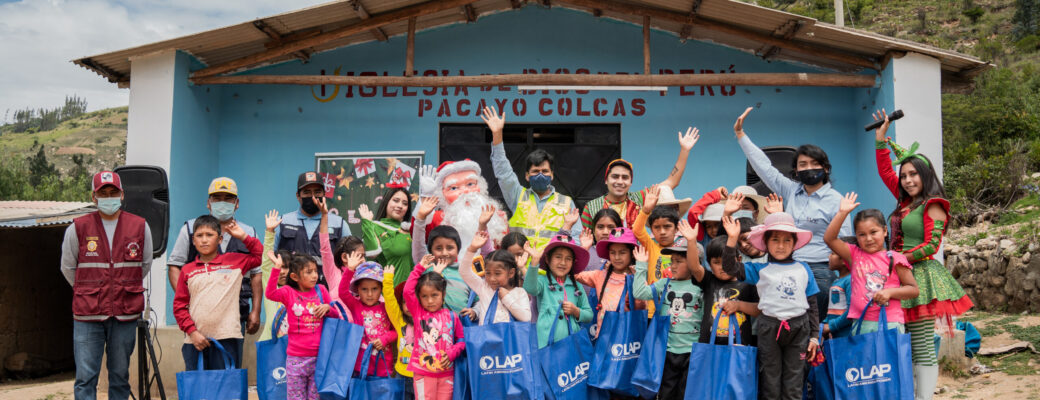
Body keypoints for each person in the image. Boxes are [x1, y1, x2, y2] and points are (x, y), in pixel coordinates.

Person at [872, 110, 972, 400]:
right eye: (904, 175)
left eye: (913, 174)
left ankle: (924, 397)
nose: (906, 180)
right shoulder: (904, 202)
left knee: (922, 343)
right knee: (903, 341)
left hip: (921, 277)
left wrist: (897, 259)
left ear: (925, 175)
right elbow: (885, 172)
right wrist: (880, 141)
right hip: (897, 275)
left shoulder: (934, 205)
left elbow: (931, 246)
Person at [732, 107, 852, 315]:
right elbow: (765, 168)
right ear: (795, 170)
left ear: (826, 168)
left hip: (820, 271)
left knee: (816, 329)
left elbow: (845, 243)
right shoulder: (792, 190)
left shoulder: (837, 200)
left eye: (815, 164)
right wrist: (741, 135)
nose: (808, 168)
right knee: (789, 325)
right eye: (802, 164)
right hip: (788, 267)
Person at [60, 171, 153, 400]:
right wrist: (89, 291)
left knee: (120, 376)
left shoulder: (140, 226)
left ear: (122, 195)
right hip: (88, 315)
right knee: (85, 378)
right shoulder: (78, 228)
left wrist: (121, 287)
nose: (109, 197)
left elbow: (145, 264)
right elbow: (68, 267)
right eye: (103, 193)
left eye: (113, 192)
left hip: (125, 314)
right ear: (94, 197)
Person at [722, 213, 820, 400]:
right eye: (775, 240)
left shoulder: (804, 269)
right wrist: (732, 239)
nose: (781, 245)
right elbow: (730, 268)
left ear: (794, 243)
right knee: (770, 379)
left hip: (799, 328)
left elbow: (812, 304)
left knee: (794, 379)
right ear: (766, 243)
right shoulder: (759, 270)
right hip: (768, 328)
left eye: (786, 240)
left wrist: (814, 336)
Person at [166, 177, 261, 360]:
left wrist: (255, 310)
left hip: (234, 314)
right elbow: (175, 266)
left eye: (228, 198)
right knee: (198, 368)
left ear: (237, 203)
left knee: (226, 368)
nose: (222, 203)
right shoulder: (191, 229)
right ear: (208, 203)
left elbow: (257, 272)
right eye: (217, 198)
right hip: (197, 316)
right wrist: (190, 298)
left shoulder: (247, 232)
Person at [481, 106, 582, 249]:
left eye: (545, 171)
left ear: (552, 175)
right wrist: (497, 134)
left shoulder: (566, 202)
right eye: (535, 171)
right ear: (527, 176)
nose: (540, 175)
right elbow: (503, 172)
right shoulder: (517, 195)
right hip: (520, 267)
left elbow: (577, 238)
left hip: (550, 268)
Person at [173, 216, 262, 371]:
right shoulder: (187, 270)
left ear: (220, 239)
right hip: (195, 340)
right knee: (197, 390)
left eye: (210, 235)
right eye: (199, 236)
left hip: (227, 337)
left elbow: (259, 256)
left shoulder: (235, 261)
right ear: (193, 241)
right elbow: (179, 306)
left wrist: (243, 237)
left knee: (225, 389)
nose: (204, 240)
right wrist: (192, 332)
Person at [824, 192, 920, 334]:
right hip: (860, 323)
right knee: (864, 357)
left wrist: (890, 292)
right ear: (856, 236)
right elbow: (829, 239)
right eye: (862, 234)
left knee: (886, 357)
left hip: (890, 322)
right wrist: (842, 213)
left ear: (885, 231)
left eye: (873, 232)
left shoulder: (895, 258)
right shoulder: (854, 255)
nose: (868, 238)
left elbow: (913, 290)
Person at [580, 127, 701, 230]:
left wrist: (684, 150)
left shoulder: (641, 198)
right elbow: (586, 240)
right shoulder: (591, 207)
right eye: (615, 177)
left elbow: (671, 182)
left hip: (638, 256)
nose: (620, 181)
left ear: (631, 182)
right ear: (606, 180)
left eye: (625, 177)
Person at [265, 248, 340, 400]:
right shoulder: (288, 292)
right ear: (294, 276)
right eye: (308, 272)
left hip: (320, 357)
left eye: (315, 271)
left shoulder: (321, 290)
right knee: (295, 397)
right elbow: (270, 294)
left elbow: (336, 315)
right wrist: (276, 268)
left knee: (315, 397)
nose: (314, 275)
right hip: (296, 358)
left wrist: (328, 308)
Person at [632, 243, 703, 400]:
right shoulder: (665, 283)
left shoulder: (701, 287)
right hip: (667, 351)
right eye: (672, 261)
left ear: (694, 262)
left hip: (693, 352)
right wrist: (642, 265)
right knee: (666, 392)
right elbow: (639, 293)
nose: (673, 266)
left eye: (679, 261)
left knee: (687, 393)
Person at [404, 255, 467, 400]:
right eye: (424, 296)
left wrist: (452, 353)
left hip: (447, 374)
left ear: (443, 294)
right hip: (423, 373)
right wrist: (419, 268)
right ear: (419, 297)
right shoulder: (418, 313)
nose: (430, 300)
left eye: (434, 295)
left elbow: (462, 340)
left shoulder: (452, 316)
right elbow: (407, 292)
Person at [414, 159, 509, 255]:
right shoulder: (437, 219)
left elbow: (504, 254)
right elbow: (418, 238)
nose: (465, 191)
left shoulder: (498, 217)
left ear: (480, 186)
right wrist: (425, 196)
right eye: (454, 188)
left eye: (470, 184)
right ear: (443, 194)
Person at [276, 171, 351, 284]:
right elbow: (269, 260)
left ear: (324, 194)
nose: (312, 197)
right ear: (298, 195)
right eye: (307, 192)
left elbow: (350, 261)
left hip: (328, 294)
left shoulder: (339, 224)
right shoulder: (282, 222)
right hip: (292, 293)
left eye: (317, 192)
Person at [690, 223, 758, 346]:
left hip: (739, 347)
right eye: (716, 262)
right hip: (709, 346)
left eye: (727, 261)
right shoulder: (709, 280)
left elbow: (759, 309)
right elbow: (694, 267)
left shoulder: (748, 282)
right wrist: (691, 241)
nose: (723, 267)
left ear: (739, 260)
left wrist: (739, 305)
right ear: (709, 265)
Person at [523, 235, 594, 348]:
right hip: (546, 345)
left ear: (573, 263)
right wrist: (534, 262)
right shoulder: (542, 282)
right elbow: (530, 288)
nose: (563, 262)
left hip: (572, 344)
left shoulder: (577, 286)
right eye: (558, 257)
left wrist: (576, 311)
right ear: (547, 259)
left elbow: (589, 314)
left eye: (568, 259)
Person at [575, 227, 646, 338]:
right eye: (613, 253)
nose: (617, 257)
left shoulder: (637, 277)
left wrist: (640, 271)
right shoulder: (600, 275)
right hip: (603, 338)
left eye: (622, 252)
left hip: (627, 339)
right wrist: (584, 248)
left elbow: (641, 308)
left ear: (632, 253)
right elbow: (575, 274)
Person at [339, 260, 398, 377]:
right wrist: (349, 270)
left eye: (374, 289)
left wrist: (384, 339)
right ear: (357, 290)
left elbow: (396, 331)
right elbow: (342, 292)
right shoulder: (355, 305)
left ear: (381, 289)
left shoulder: (387, 308)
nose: (370, 294)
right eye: (364, 289)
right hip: (360, 365)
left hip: (383, 365)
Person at [459, 231, 532, 323]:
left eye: (497, 273)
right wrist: (472, 249)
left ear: (511, 273)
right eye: (488, 273)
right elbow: (464, 271)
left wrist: (506, 297)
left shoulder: (520, 293)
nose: (492, 278)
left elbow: (526, 318)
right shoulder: (484, 287)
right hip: (485, 337)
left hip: (510, 337)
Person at [358, 186, 414, 287]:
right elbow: (372, 252)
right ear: (386, 202)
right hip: (391, 294)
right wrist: (367, 223)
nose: (400, 205)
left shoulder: (412, 230)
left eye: (405, 203)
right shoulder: (375, 226)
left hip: (414, 294)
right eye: (396, 201)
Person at [382, 264, 416, 399]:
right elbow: (390, 301)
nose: (408, 306)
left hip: (422, 376)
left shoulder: (427, 319)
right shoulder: (399, 320)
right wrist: (388, 279)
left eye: (412, 301)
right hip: (401, 375)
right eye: (404, 302)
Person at [822, 236, 855, 339]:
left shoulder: (850, 281)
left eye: (833, 253)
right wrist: (825, 324)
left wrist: (831, 326)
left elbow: (851, 312)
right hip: (836, 336)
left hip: (847, 337)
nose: (829, 257)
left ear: (844, 259)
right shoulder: (837, 281)